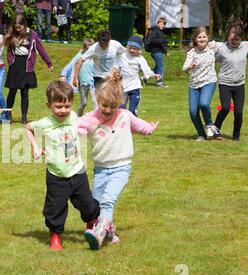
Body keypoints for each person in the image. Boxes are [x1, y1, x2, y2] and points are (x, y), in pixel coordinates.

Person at [78, 70, 159, 250]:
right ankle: (111, 233)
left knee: (108, 200)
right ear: (98, 100)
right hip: (100, 169)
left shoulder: (124, 115)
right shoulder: (91, 118)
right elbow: (76, 127)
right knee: (97, 205)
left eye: (112, 107)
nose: (107, 110)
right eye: (104, 105)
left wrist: (149, 128)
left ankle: (99, 234)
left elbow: (139, 125)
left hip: (121, 167)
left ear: (120, 103)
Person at [25, 80, 100, 251]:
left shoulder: (74, 117)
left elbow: (93, 118)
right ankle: (55, 237)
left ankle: (91, 227)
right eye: (58, 106)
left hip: (77, 171)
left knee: (88, 204)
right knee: (55, 208)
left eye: (67, 106)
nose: (63, 110)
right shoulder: (45, 123)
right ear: (49, 105)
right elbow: (27, 128)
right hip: (56, 175)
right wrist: (35, 146)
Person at [212, 21, 248, 141]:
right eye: (232, 39)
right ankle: (215, 129)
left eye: (237, 40)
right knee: (225, 108)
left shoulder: (245, 47)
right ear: (227, 37)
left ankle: (236, 135)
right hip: (225, 84)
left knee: (238, 112)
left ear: (240, 38)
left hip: (239, 85)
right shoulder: (221, 49)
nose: (234, 42)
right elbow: (211, 60)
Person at [4, 15, 53, 124]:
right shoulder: (12, 34)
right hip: (15, 65)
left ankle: (24, 117)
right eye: (16, 27)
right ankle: (8, 115)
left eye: (20, 27)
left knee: (24, 92)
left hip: (26, 66)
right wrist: (10, 61)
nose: (18, 29)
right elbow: (7, 47)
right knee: (12, 91)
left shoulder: (32, 35)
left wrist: (48, 63)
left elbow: (41, 49)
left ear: (24, 25)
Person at [182, 27, 219, 141]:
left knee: (204, 104)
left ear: (207, 38)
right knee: (193, 112)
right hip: (194, 85)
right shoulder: (192, 52)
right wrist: (189, 66)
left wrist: (246, 43)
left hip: (209, 81)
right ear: (195, 39)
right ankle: (202, 135)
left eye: (204, 36)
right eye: (199, 37)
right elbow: (184, 68)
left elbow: (230, 42)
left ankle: (209, 125)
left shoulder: (212, 47)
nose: (202, 39)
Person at [119, 35, 160, 116]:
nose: (131, 50)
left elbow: (147, 70)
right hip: (122, 87)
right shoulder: (122, 56)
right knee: (121, 111)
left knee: (132, 111)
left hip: (135, 87)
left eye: (134, 49)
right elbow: (116, 68)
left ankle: (133, 126)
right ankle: (122, 127)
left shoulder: (140, 58)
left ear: (138, 49)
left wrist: (153, 75)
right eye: (130, 48)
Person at [60, 38, 97, 116]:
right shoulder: (80, 55)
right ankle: (78, 117)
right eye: (87, 48)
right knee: (83, 103)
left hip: (93, 83)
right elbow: (70, 64)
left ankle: (97, 118)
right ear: (84, 47)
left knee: (95, 102)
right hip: (83, 83)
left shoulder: (95, 56)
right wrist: (63, 74)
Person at [147, 17, 168, 87]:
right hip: (155, 51)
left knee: (157, 67)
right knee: (160, 67)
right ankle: (159, 82)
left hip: (159, 51)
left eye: (163, 24)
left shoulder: (161, 32)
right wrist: (162, 40)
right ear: (157, 23)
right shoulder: (154, 30)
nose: (162, 25)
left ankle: (145, 77)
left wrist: (165, 51)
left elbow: (162, 44)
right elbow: (152, 40)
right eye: (161, 24)